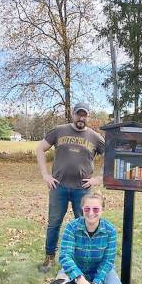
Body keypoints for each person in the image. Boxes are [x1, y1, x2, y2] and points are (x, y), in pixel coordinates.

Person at [36, 102, 105, 273]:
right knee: (54, 224)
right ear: (73, 115)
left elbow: (111, 156)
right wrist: (45, 175)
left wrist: (98, 178)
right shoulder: (59, 130)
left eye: (85, 115)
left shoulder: (95, 137)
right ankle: (49, 258)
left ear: (88, 117)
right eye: (78, 114)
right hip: (58, 187)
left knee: (85, 224)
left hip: (82, 190)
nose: (81, 118)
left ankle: (83, 258)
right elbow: (40, 149)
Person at [57, 192, 123, 284]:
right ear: (82, 209)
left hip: (100, 270)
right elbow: (65, 256)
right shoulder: (72, 227)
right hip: (76, 268)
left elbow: (108, 260)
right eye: (87, 209)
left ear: (102, 210)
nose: (91, 213)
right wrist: (79, 278)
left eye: (96, 209)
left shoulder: (110, 230)